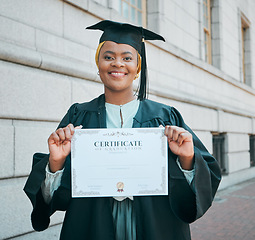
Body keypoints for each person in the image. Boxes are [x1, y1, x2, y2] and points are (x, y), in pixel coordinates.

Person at [24, 20, 221, 240]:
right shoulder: (79, 115)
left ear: (137, 67)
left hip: (155, 224)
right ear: (98, 64)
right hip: (92, 223)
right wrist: (57, 163)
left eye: (127, 58)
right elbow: (54, 199)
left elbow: (205, 179)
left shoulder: (165, 117)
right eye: (108, 57)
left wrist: (187, 159)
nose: (117, 63)